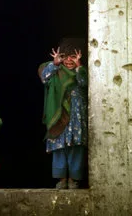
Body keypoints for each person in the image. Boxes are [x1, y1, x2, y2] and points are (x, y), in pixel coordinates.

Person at [38, 38, 88, 189]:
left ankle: (73, 179)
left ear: (79, 57)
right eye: (65, 56)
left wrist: (79, 67)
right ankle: (61, 180)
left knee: (75, 148)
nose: (68, 60)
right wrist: (55, 63)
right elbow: (44, 78)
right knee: (59, 148)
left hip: (76, 119)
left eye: (73, 56)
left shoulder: (82, 71)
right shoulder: (55, 71)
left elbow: (84, 83)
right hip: (59, 118)